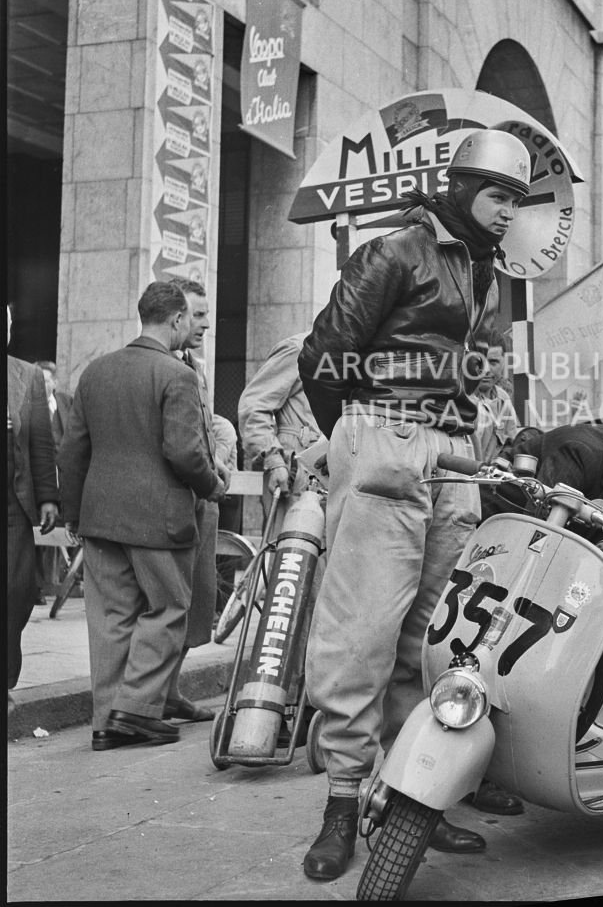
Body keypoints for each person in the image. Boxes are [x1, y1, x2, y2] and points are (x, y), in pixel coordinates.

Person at [296, 128, 534, 880]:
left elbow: (476, 371)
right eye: (498, 195)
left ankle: (408, 802)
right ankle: (342, 802)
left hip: (452, 458)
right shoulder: (396, 250)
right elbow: (323, 354)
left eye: (518, 201)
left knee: (431, 639)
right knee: (360, 631)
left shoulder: (485, 271)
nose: (508, 212)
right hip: (386, 437)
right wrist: (359, 437)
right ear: (462, 189)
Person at [58, 281, 226, 751]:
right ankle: (134, 710)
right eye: (190, 319)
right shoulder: (176, 375)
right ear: (175, 320)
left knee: (111, 619)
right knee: (168, 609)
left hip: (99, 518)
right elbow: (185, 452)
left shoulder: (96, 371)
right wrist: (213, 486)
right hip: (159, 519)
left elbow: (71, 451)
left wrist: (73, 512)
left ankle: (106, 722)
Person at [163, 280, 234, 723]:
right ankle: (156, 692)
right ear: (177, 317)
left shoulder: (197, 365)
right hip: (175, 502)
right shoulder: (162, 366)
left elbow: (206, 425)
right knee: (170, 600)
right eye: (199, 315)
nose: (207, 324)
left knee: (198, 599)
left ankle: (171, 690)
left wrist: (220, 451)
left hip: (202, 498)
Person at [7, 307, 60, 697]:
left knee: (17, 591)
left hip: (14, 502)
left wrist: (48, 499)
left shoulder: (27, 376)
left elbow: (42, 444)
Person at [237, 330, 323, 518]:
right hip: (296, 480)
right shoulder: (301, 349)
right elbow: (254, 406)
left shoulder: (356, 356)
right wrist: (274, 461)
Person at [32, 360, 73, 601]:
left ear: (55, 382)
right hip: (40, 479)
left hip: (65, 477)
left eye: (46, 380)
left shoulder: (67, 403)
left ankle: (60, 580)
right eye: (38, 380)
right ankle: (37, 586)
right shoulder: (27, 404)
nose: (42, 384)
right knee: (38, 530)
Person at [470, 334, 520, 465]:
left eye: (493, 362)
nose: (486, 370)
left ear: (503, 363)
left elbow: (512, 443)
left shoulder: (503, 398)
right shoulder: (463, 401)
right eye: (479, 362)